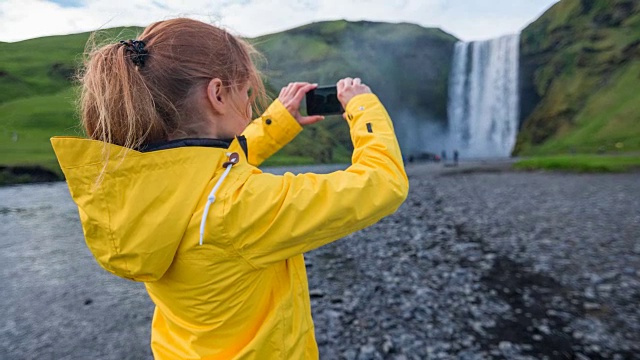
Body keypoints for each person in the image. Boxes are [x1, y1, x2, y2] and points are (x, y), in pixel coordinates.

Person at [51, 18, 408, 359]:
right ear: (217, 94)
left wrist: (277, 123)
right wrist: (363, 107)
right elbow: (382, 182)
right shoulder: (240, 206)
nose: (252, 104)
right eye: (247, 91)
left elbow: (208, 166)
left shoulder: (141, 186)